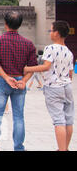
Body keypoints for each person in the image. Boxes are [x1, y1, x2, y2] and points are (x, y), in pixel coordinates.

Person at [0, 11, 37, 151]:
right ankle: (19, 147)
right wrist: (23, 80)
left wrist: (5, 77)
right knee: (18, 116)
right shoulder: (28, 44)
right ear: (20, 25)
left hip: (3, 81)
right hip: (19, 82)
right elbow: (32, 67)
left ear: (5, 24)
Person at [24, 20, 74, 151]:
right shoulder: (69, 52)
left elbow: (46, 67)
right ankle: (65, 148)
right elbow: (70, 74)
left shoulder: (50, 48)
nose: (50, 33)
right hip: (67, 87)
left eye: (51, 30)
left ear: (56, 33)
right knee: (68, 120)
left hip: (54, 87)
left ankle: (61, 149)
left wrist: (27, 69)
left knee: (59, 121)